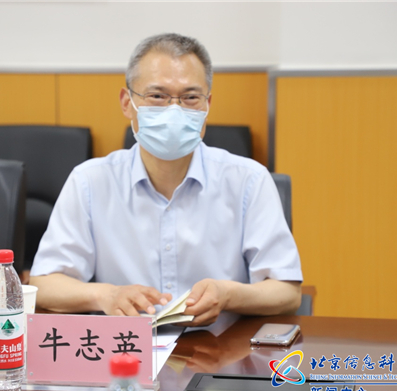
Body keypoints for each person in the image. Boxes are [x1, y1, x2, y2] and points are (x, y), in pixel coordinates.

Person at [29, 33, 302, 326]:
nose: (174, 110)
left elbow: (287, 292)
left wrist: (227, 295)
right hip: (124, 348)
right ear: (127, 102)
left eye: (190, 98)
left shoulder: (248, 180)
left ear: (207, 105)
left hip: (220, 347)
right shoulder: (90, 182)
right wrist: (107, 295)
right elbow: (45, 284)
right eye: (157, 96)